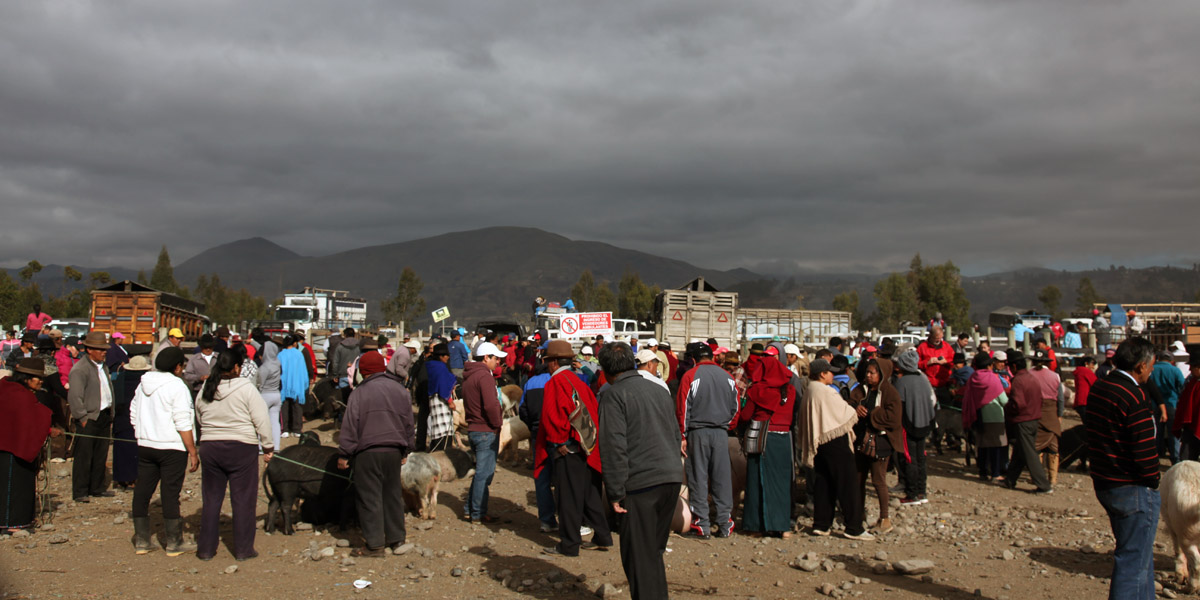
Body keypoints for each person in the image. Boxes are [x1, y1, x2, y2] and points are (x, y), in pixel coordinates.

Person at [597, 342, 682, 600]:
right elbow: (676, 435)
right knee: (652, 553)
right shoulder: (659, 390)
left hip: (642, 485)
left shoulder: (613, 395)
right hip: (670, 478)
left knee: (638, 556)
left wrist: (614, 492)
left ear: (605, 371)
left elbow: (613, 446)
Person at [1085, 337, 1159, 599]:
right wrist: (1153, 478)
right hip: (1132, 486)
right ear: (1140, 366)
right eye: (1150, 366)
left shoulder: (1101, 386)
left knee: (1139, 557)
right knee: (1132, 561)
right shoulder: (1133, 394)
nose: (1151, 371)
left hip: (1106, 481)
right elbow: (1142, 447)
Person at [194, 350, 274, 561]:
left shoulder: (206, 388)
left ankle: (205, 549)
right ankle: (243, 549)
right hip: (241, 448)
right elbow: (262, 419)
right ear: (237, 368)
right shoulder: (246, 389)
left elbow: (199, 415)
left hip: (210, 447)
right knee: (243, 501)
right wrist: (268, 446)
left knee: (211, 500)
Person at [537, 340, 613, 556]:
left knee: (568, 497)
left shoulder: (556, 382)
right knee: (590, 493)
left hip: (569, 448)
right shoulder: (577, 379)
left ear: (552, 362)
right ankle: (603, 536)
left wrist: (559, 442)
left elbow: (553, 415)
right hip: (588, 445)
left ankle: (569, 544)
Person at [337, 350, 414, 557]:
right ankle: (397, 539)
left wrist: (344, 454)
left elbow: (351, 425)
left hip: (367, 452)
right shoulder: (400, 390)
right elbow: (409, 423)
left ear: (363, 371)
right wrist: (406, 449)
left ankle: (375, 545)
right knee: (392, 495)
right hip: (393, 451)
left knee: (369, 497)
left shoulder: (359, 393)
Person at [130, 347, 198, 555]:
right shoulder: (177, 386)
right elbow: (183, 421)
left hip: (146, 445)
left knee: (142, 491)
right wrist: (192, 451)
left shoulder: (143, 383)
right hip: (171, 447)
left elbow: (133, 412)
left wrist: (142, 433)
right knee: (170, 493)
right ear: (177, 367)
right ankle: (173, 542)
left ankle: (142, 540)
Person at [674, 341, 738, 539]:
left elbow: (682, 409)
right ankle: (725, 523)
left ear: (693, 359)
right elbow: (735, 409)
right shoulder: (727, 376)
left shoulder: (690, 375)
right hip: (721, 432)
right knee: (722, 478)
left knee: (698, 478)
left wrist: (682, 435)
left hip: (697, 432)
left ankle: (702, 525)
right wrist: (726, 426)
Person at [801, 359, 871, 539]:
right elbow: (844, 413)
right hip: (834, 439)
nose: (833, 375)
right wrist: (856, 409)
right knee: (848, 482)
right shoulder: (824, 391)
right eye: (830, 372)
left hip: (821, 441)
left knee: (824, 482)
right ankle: (854, 527)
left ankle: (821, 524)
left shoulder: (811, 389)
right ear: (822, 374)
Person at [0, 359, 62, 531]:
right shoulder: (20, 395)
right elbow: (32, 419)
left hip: (9, 444)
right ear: (26, 378)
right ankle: (12, 524)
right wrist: (49, 429)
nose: (41, 381)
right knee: (14, 485)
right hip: (12, 448)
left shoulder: (7, 388)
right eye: (37, 378)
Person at [849, 358, 902, 534]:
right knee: (858, 480)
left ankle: (885, 518)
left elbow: (894, 419)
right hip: (860, 440)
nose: (869, 376)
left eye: (873, 373)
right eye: (867, 372)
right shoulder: (859, 390)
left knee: (878, 480)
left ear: (882, 374)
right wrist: (855, 408)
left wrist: (874, 414)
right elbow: (849, 404)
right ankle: (858, 515)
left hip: (880, 442)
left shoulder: (890, 392)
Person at [68, 331, 117, 502]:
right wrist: (82, 417)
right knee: (84, 455)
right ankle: (80, 491)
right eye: (100, 349)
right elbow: (75, 396)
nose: (104, 352)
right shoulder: (80, 369)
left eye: (104, 349)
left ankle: (97, 487)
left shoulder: (102, 366)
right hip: (89, 417)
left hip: (103, 415)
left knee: (100, 454)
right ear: (89, 350)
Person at [462, 342, 505, 524]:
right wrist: (497, 423)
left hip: (473, 428)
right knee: (484, 474)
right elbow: (490, 405)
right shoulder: (485, 377)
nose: (497, 362)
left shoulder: (469, 376)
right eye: (495, 358)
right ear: (486, 357)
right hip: (486, 430)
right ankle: (477, 512)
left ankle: (470, 509)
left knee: (480, 472)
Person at [1003, 348, 1056, 494]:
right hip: (1034, 418)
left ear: (1013, 366)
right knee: (1020, 451)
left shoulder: (1019, 381)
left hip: (1023, 420)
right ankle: (1010, 480)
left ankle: (1043, 485)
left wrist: (1007, 408)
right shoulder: (1031, 378)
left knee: (1029, 453)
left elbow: (1018, 404)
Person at [892, 349, 934, 506]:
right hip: (924, 423)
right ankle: (921, 491)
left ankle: (912, 494)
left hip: (908, 425)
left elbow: (899, 406)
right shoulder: (923, 379)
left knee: (909, 459)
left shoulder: (902, 382)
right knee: (921, 458)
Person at [520, 361, 556, 532]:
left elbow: (522, 410)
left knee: (541, 477)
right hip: (557, 436)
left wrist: (532, 426)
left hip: (537, 435)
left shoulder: (530, 383)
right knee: (562, 479)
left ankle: (546, 521)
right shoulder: (557, 380)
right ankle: (570, 521)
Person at [962, 353, 1009, 483]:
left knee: (982, 446)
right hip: (995, 417)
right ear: (989, 365)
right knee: (996, 446)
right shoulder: (993, 379)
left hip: (978, 416)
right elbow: (1004, 400)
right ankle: (995, 473)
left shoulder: (973, 378)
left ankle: (982, 472)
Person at [113, 354, 152, 491]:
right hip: (139, 419)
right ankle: (134, 478)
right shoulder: (145, 382)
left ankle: (121, 479)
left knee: (121, 450)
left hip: (122, 419)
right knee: (136, 450)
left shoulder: (120, 379)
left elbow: (116, 399)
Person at [1150, 351, 1185, 465]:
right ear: (1171, 360)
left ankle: (1158, 453)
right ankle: (1175, 457)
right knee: (1173, 433)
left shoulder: (1152, 369)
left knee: (1157, 431)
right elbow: (1182, 386)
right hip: (1171, 404)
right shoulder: (1175, 370)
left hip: (1155, 405)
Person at [426, 343, 457, 452]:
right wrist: (450, 402)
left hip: (433, 400)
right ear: (440, 356)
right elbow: (443, 386)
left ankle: (435, 448)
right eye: (446, 355)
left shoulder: (430, 365)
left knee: (436, 427)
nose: (447, 358)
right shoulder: (440, 367)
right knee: (444, 429)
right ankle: (443, 450)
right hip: (441, 401)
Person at [277, 335, 309, 438]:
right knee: (297, 407)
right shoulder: (299, 354)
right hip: (297, 385)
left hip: (284, 384)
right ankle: (297, 429)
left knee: (284, 406)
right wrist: (305, 383)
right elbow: (303, 370)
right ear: (294, 343)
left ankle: (285, 429)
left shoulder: (280, 355)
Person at [1172, 344, 1200, 461]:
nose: (1189, 369)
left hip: (1195, 429)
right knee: (1187, 462)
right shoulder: (1191, 382)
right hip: (1190, 430)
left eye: (1192, 367)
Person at [916, 326, 955, 407]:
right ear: (931, 336)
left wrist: (946, 362)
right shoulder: (922, 347)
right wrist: (927, 362)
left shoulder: (947, 347)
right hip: (928, 384)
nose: (938, 340)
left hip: (944, 384)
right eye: (936, 338)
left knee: (946, 408)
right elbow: (916, 364)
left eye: (940, 338)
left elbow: (954, 363)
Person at [254, 340, 283, 451]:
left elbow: (259, 383)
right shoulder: (277, 364)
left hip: (265, 395)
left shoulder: (265, 367)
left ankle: (262, 446)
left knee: (262, 421)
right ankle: (276, 446)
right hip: (276, 394)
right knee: (275, 422)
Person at [1075, 356, 1097, 422]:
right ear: (1086, 363)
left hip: (1079, 401)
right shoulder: (1086, 372)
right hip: (1086, 401)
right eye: (1092, 364)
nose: (1093, 367)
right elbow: (1096, 384)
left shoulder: (1079, 371)